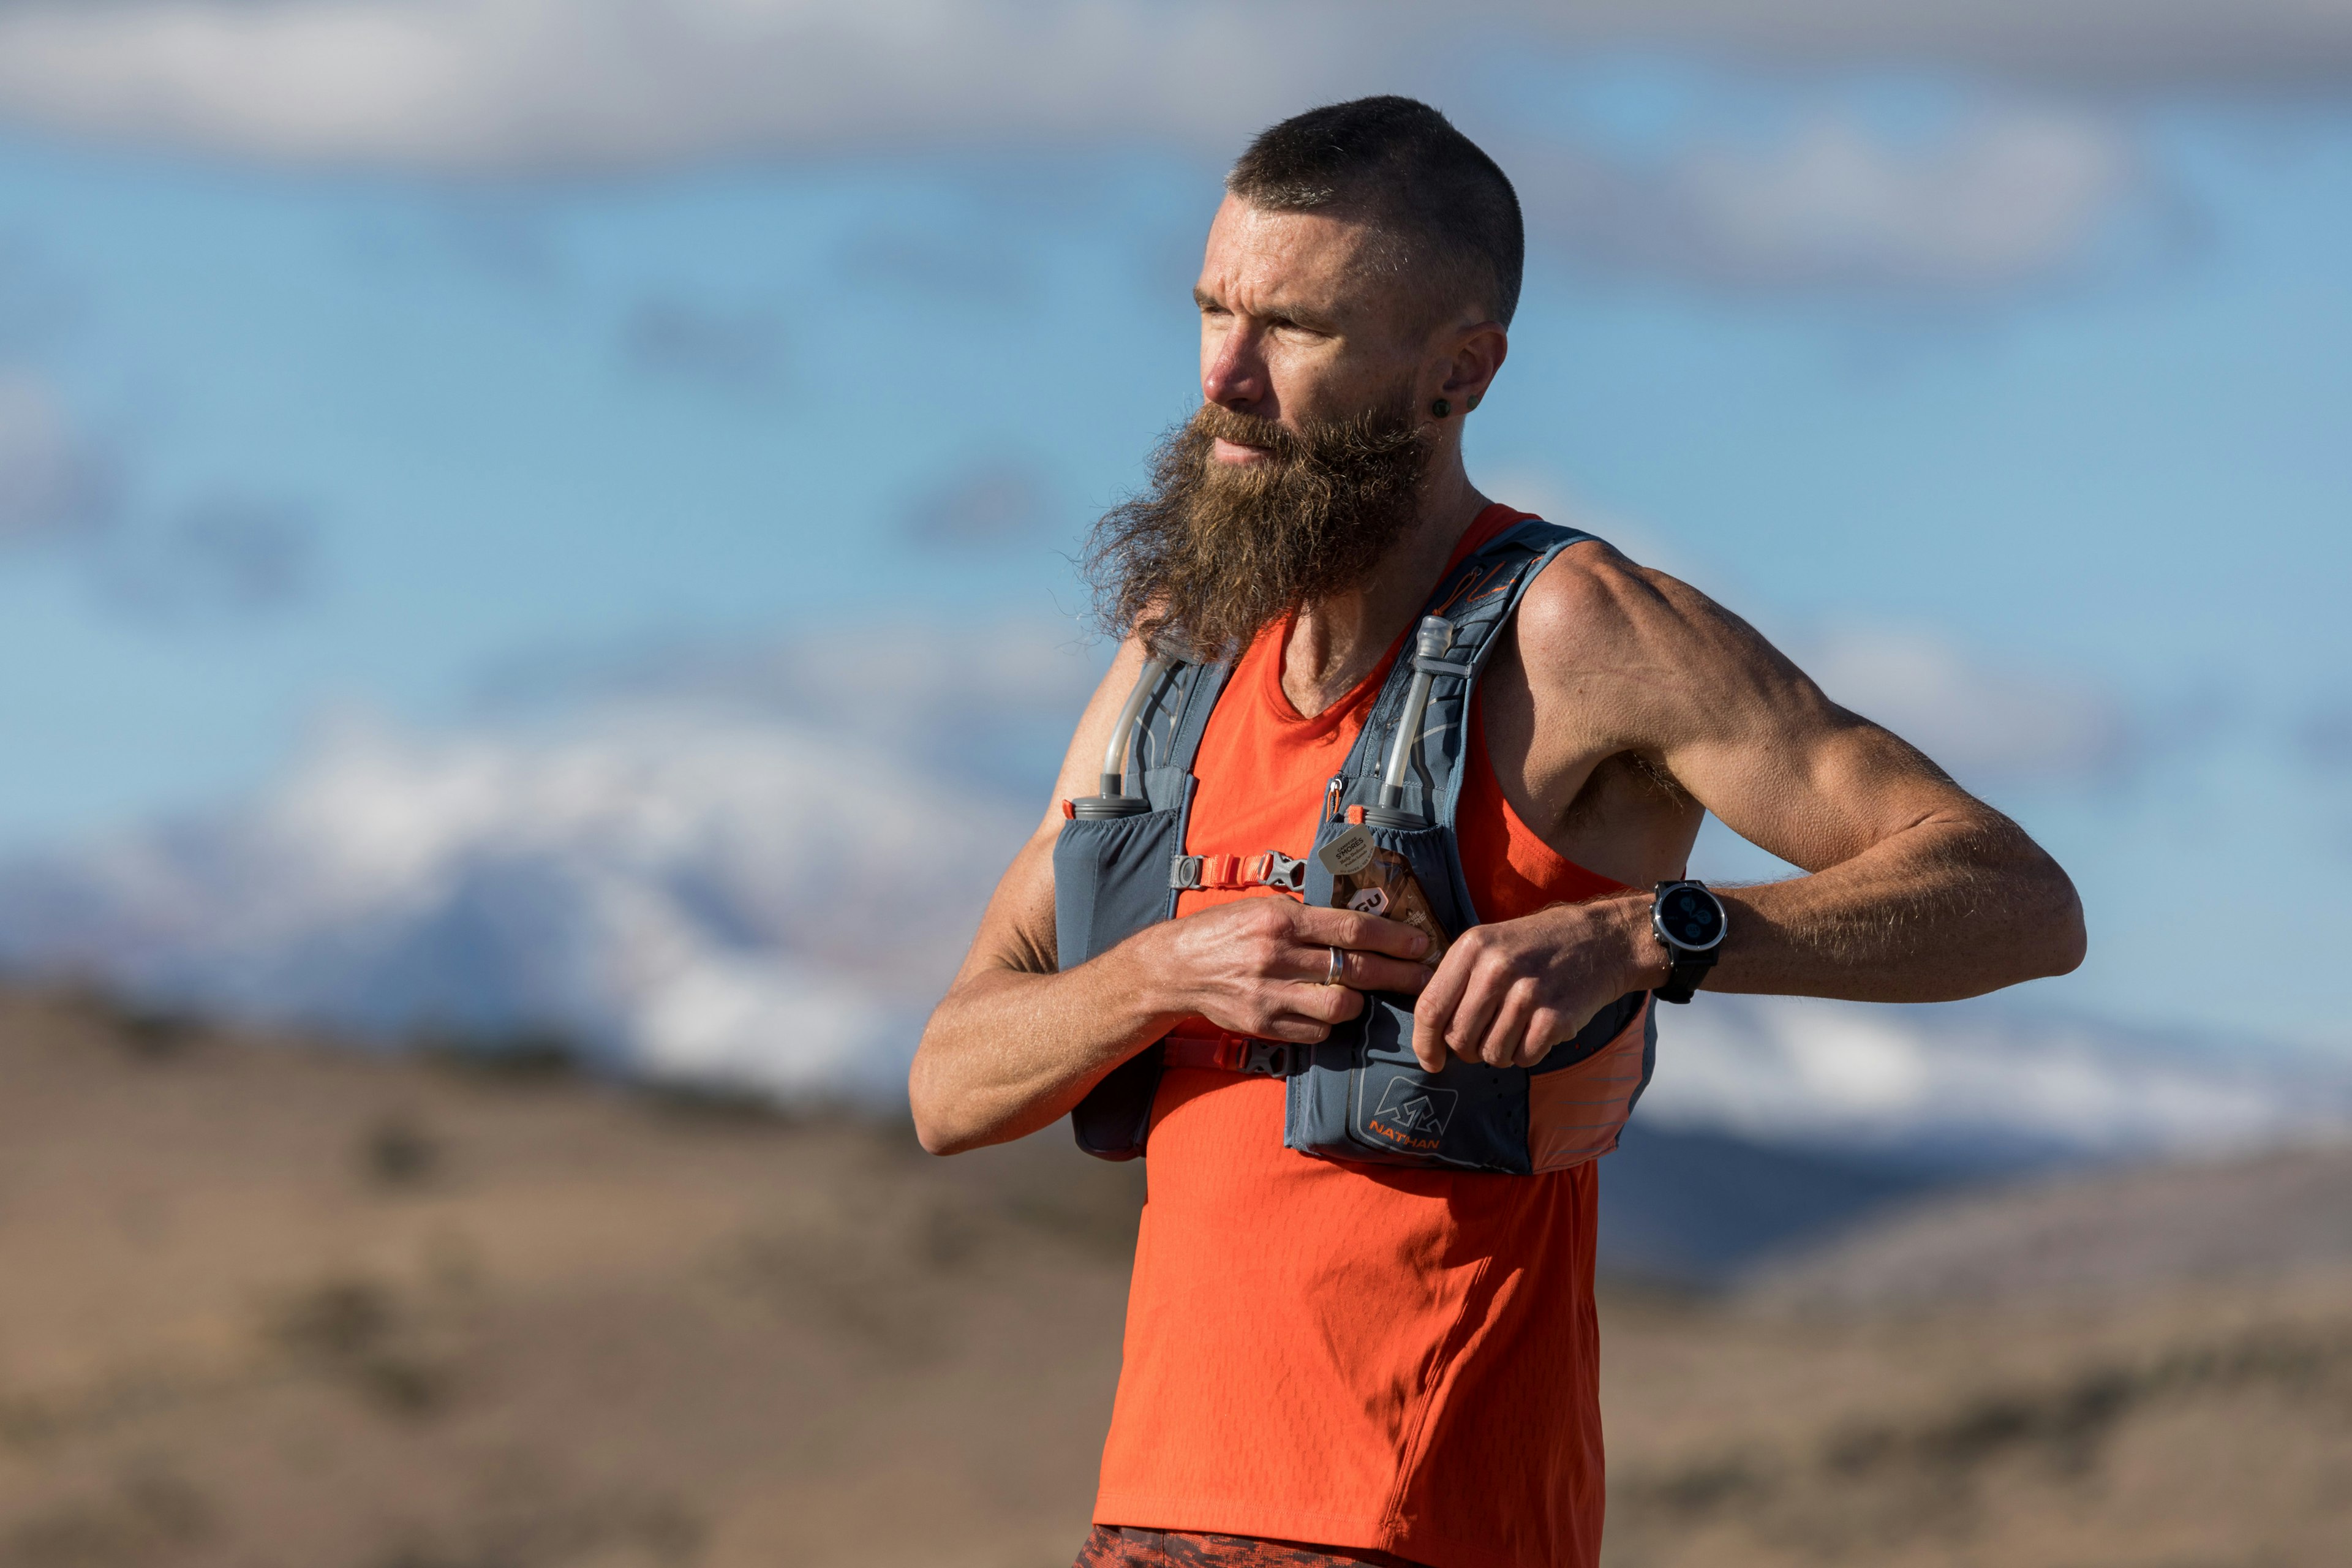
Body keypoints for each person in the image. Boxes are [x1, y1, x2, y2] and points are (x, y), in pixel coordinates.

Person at [908, 96, 2085, 1568]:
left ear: (1456, 372)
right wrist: (1162, 973)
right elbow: (951, 1085)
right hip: (1152, 1523)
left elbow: (2021, 897)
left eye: (1295, 329)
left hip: (1425, 1525)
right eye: (1211, 308)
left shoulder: (1575, 629)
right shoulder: (1174, 663)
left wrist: (1654, 930)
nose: (1225, 376)